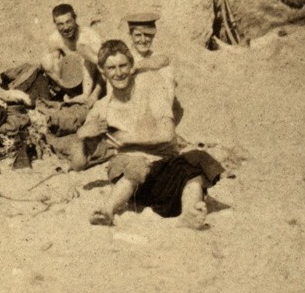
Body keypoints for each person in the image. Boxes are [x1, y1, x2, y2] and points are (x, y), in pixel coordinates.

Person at [74, 40, 223, 228]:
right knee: (136, 164)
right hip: (131, 182)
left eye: (123, 65)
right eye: (111, 68)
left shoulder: (151, 89)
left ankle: (189, 214)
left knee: (196, 160)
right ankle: (107, 211)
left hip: (162, 169)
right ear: (102, 71)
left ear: (131, 66)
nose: (118, 73)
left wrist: (126, 138)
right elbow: (78, 165)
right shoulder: (101, 109)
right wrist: (80, 136)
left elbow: (168, 134)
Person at [40, 3, 103, 103]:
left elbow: (104, 66)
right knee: (46, 61)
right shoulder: (54, 39)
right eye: (60, 24)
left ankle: (89, 96)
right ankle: (72, 95)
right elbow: (56, 69)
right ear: (55, 24)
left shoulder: (89, 35)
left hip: (93, 80)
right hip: (74, 81)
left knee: (87, 54)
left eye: (68, 22)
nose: (65, 28)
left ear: (75, 18)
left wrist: (95, 94)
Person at [125, 12, 175, 102]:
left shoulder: (155, 56)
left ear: (153, 35)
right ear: (130, 35)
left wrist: (137, 66)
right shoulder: (124, 55)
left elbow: (165, 60)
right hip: (128, 104)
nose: (143, 40)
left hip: (153, 105)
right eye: (138, 35)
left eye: (147, 35)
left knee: (166, 71)